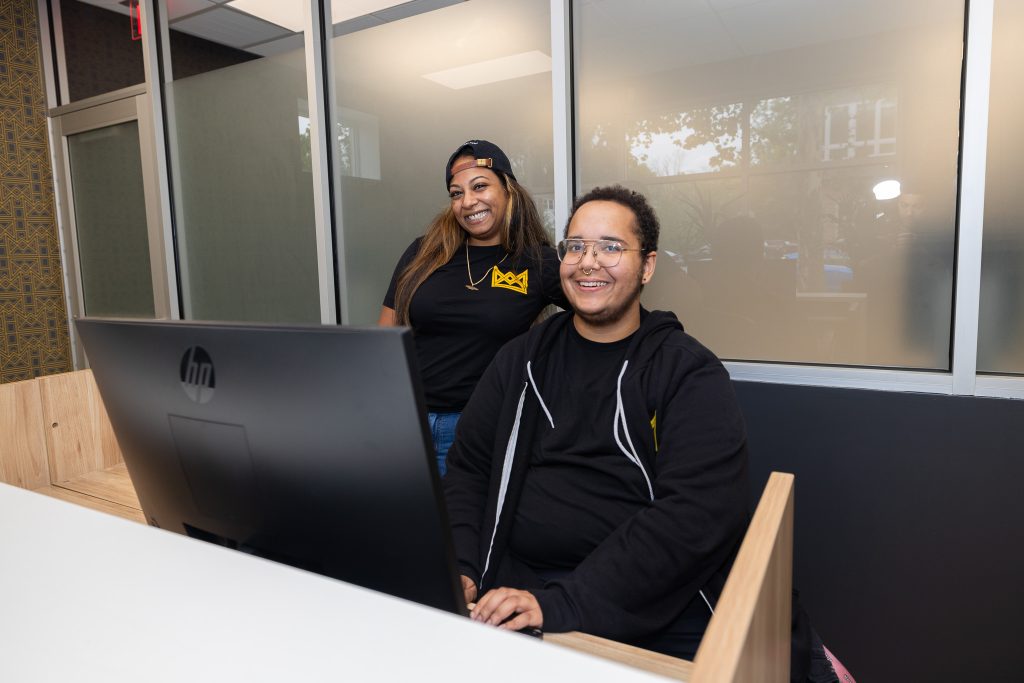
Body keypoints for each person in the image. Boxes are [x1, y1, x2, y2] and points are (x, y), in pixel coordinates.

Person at [442, 185, 750, 661]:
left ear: (647, 265)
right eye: (576, 247)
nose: (589, 262)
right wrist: (461, 564)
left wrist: (564, 603)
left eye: (610, 247)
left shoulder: (686, 370)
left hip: (646, 602)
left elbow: (695, 515)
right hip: (514, 587)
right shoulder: (521, 360)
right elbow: (469, 469)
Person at [379, 140, 567, 475]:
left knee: (463, 525)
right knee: (404, 525)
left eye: (480, 186)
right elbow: (385, 337)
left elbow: (600, 311)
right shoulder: (423, 253)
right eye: (456, 193)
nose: (468, 202)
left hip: (478, 428)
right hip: (406, 423)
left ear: (508, 189)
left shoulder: (538, 263)